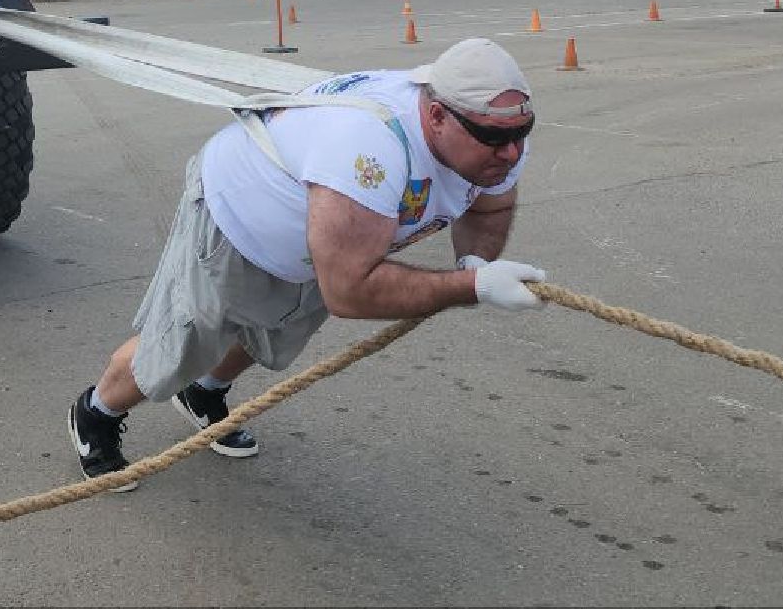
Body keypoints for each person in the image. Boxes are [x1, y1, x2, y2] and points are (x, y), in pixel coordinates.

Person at [66, 37, 550, 490]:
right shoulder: (370, 147)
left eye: (521, 134)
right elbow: (349, 291)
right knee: (183, 343)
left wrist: (473, 262)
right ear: (438, 115)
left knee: (270, 334)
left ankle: (203, 392)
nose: (511, 152)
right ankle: (96, 413)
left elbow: (492, 205)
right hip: (237, 217)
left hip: (324, 241)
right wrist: (472, 286)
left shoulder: (497, 140)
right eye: (493, 137)